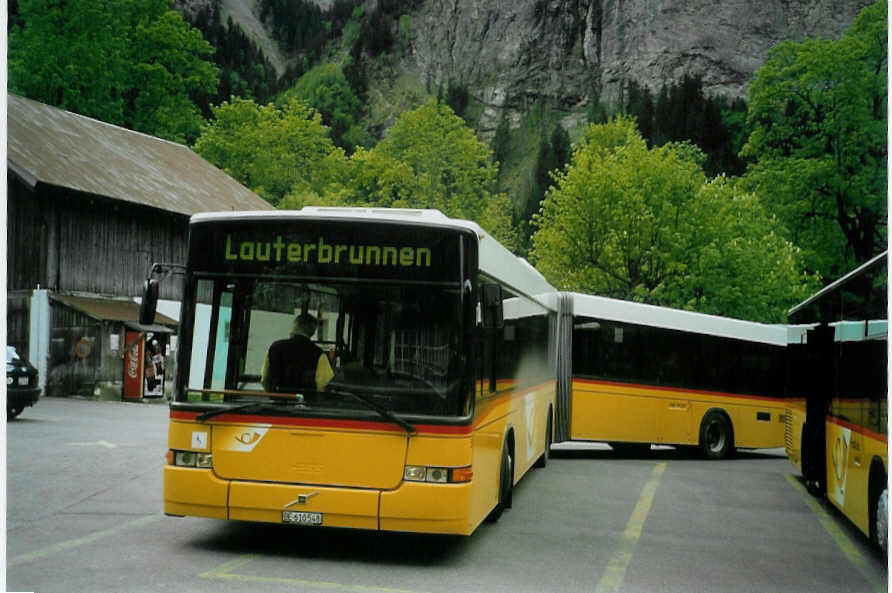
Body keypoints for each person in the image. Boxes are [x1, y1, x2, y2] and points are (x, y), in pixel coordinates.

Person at [261, 312, 334, 394]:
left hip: (278, 403)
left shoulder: (275, 347)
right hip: (308, 405)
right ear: (312, 332)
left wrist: (274, 396)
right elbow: (323, 386)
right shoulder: (319, 354)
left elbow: (264, 380)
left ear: (295, 326)